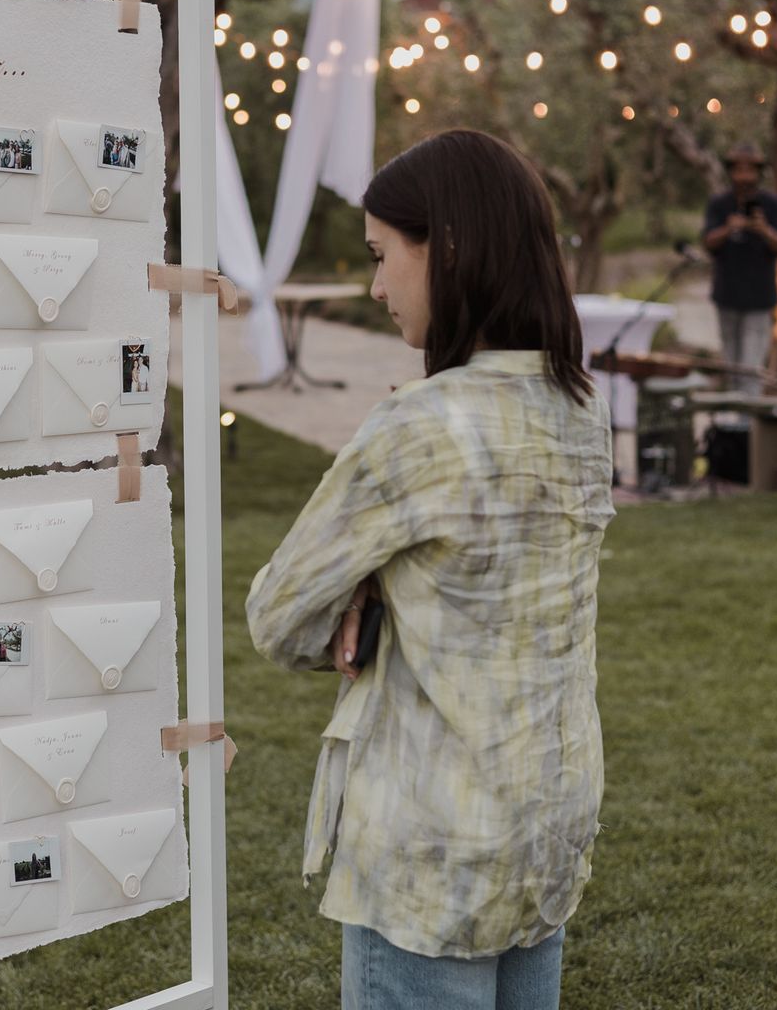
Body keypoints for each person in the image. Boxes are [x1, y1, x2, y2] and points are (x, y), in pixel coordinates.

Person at [245, 129, 615, 1010]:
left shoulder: (418, 425)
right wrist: (383, 584)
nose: (376, 287)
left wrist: (364, 592)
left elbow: (280, 616)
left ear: (445, 249)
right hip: (545, 820)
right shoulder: (581, 409)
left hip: (432, 845)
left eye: (382, 256)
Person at [701, 141, 777, 395]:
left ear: (758, 172)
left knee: (750, 367)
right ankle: (734, 413)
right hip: (727, 295)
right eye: (738, 169)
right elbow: (707, 242)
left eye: (749, 170)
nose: (744, 176)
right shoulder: (720, 204)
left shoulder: (773, 205)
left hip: (759, 299)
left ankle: (747, 416)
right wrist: (728, 228)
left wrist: (763, 229)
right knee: (731, 367)